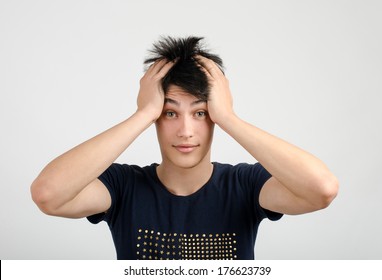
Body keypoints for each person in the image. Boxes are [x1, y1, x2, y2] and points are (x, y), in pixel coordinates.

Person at [31, 36, 339, 260]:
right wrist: (142, 114)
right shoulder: (124, 187)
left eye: (201, 113)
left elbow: (321, 189)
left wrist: (229, 117)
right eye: (170, 113)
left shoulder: (245, 186)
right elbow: (49, 195)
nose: (186, 131)